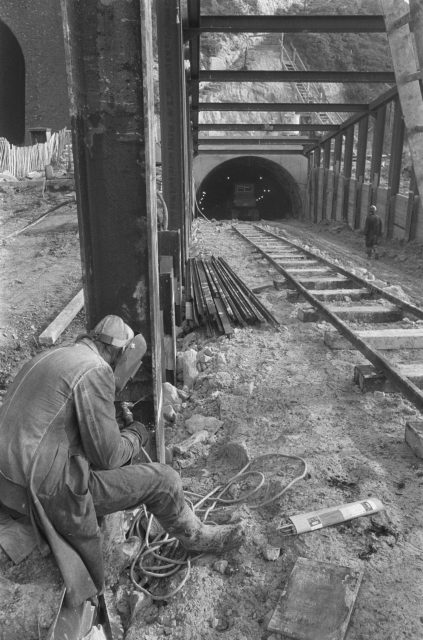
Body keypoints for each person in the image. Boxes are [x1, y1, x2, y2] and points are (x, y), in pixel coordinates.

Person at [0, 315, 244, 606]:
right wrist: (137, 433)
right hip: (39, 493)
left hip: (8, 483)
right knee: (164, 480)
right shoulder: (95, 370)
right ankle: (197, 538)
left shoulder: (54, 356)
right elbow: (109, 457)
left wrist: (114, 425)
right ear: (122, 354)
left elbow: (57, 426)